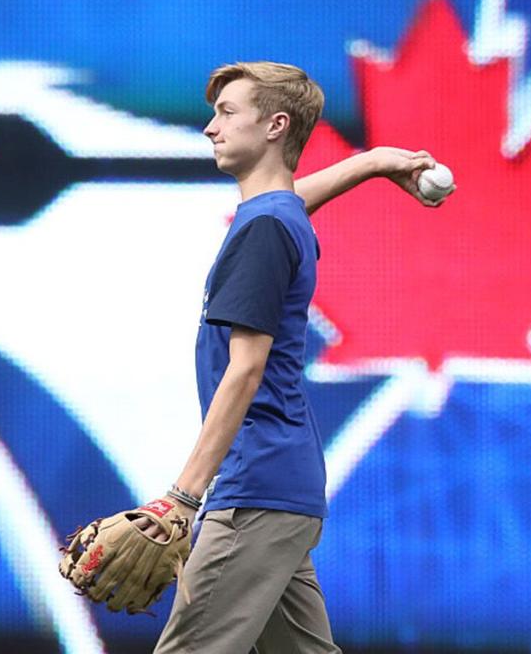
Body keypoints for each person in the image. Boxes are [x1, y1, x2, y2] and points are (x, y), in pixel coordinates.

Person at [137, 61, 450, 653]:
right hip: (284, 484)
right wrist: (375, 162)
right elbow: (288, 198)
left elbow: (246, 369)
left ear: (275, 125)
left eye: (228, 113)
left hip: (255, 485)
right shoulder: (274, 217)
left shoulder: (265, 228)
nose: (210, 128)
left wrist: (182, 495)